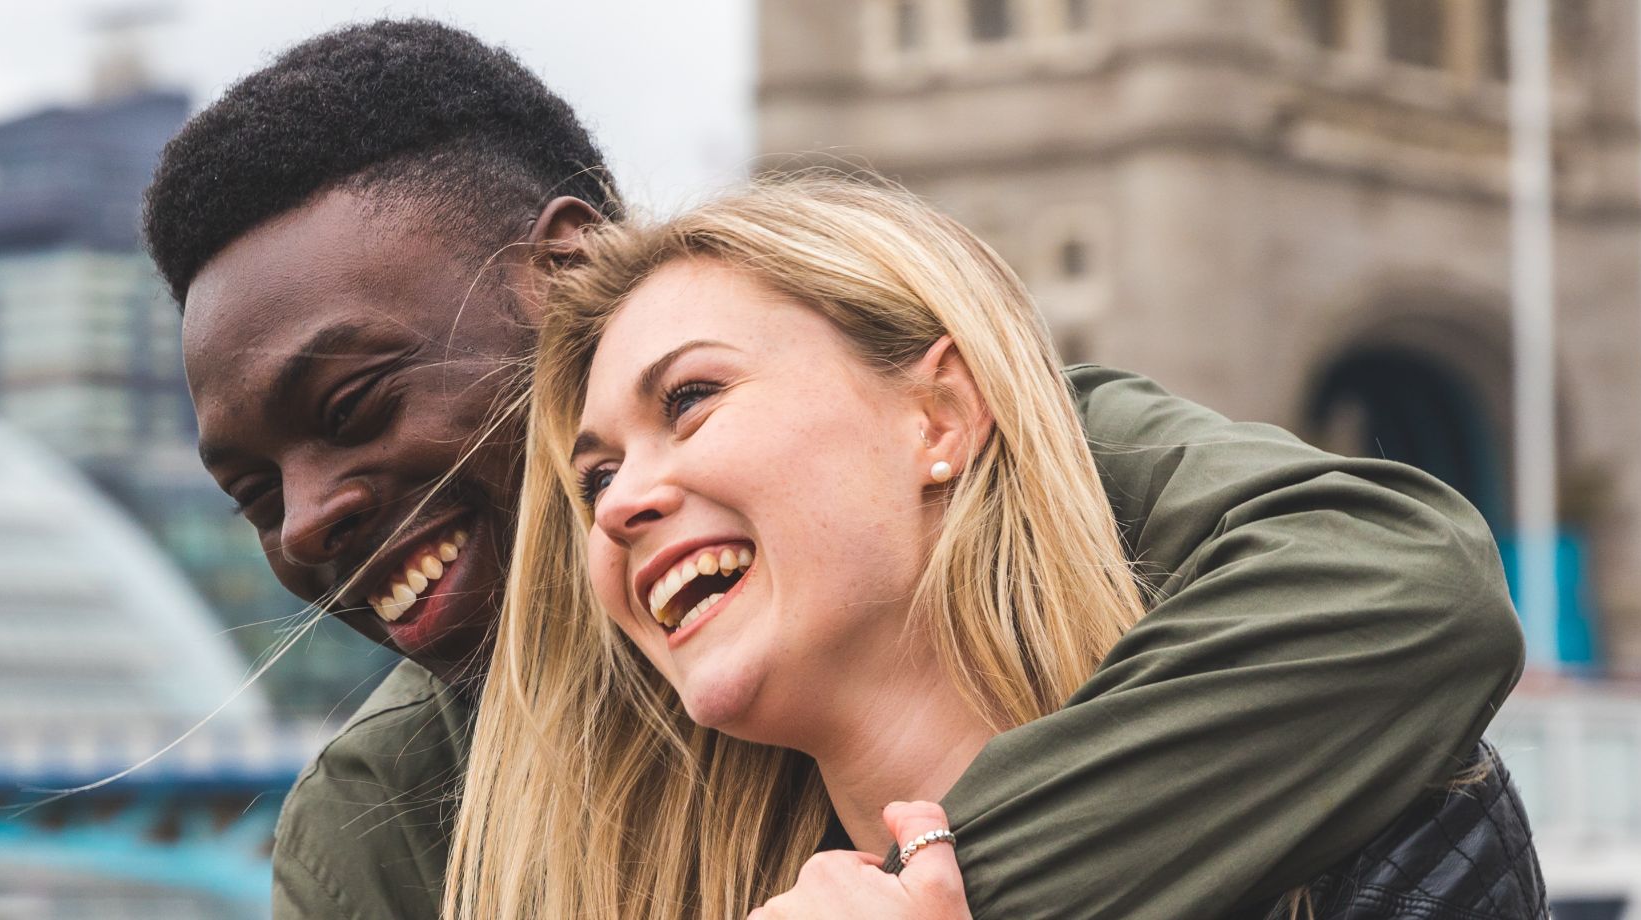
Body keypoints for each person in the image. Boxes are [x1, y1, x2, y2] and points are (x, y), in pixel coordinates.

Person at [147, 20, 1527, 918]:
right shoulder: (381, 824)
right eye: (253, 495)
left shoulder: (1046, 459)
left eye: (356, 402)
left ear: (944, 417)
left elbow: (1406, 589)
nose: (309, 521)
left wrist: (934, 886)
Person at [460, 178, 1529, 919]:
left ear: (939, 416)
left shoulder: (1400, 834)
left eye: (691, 397)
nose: (618, 505)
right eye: (595, 477)